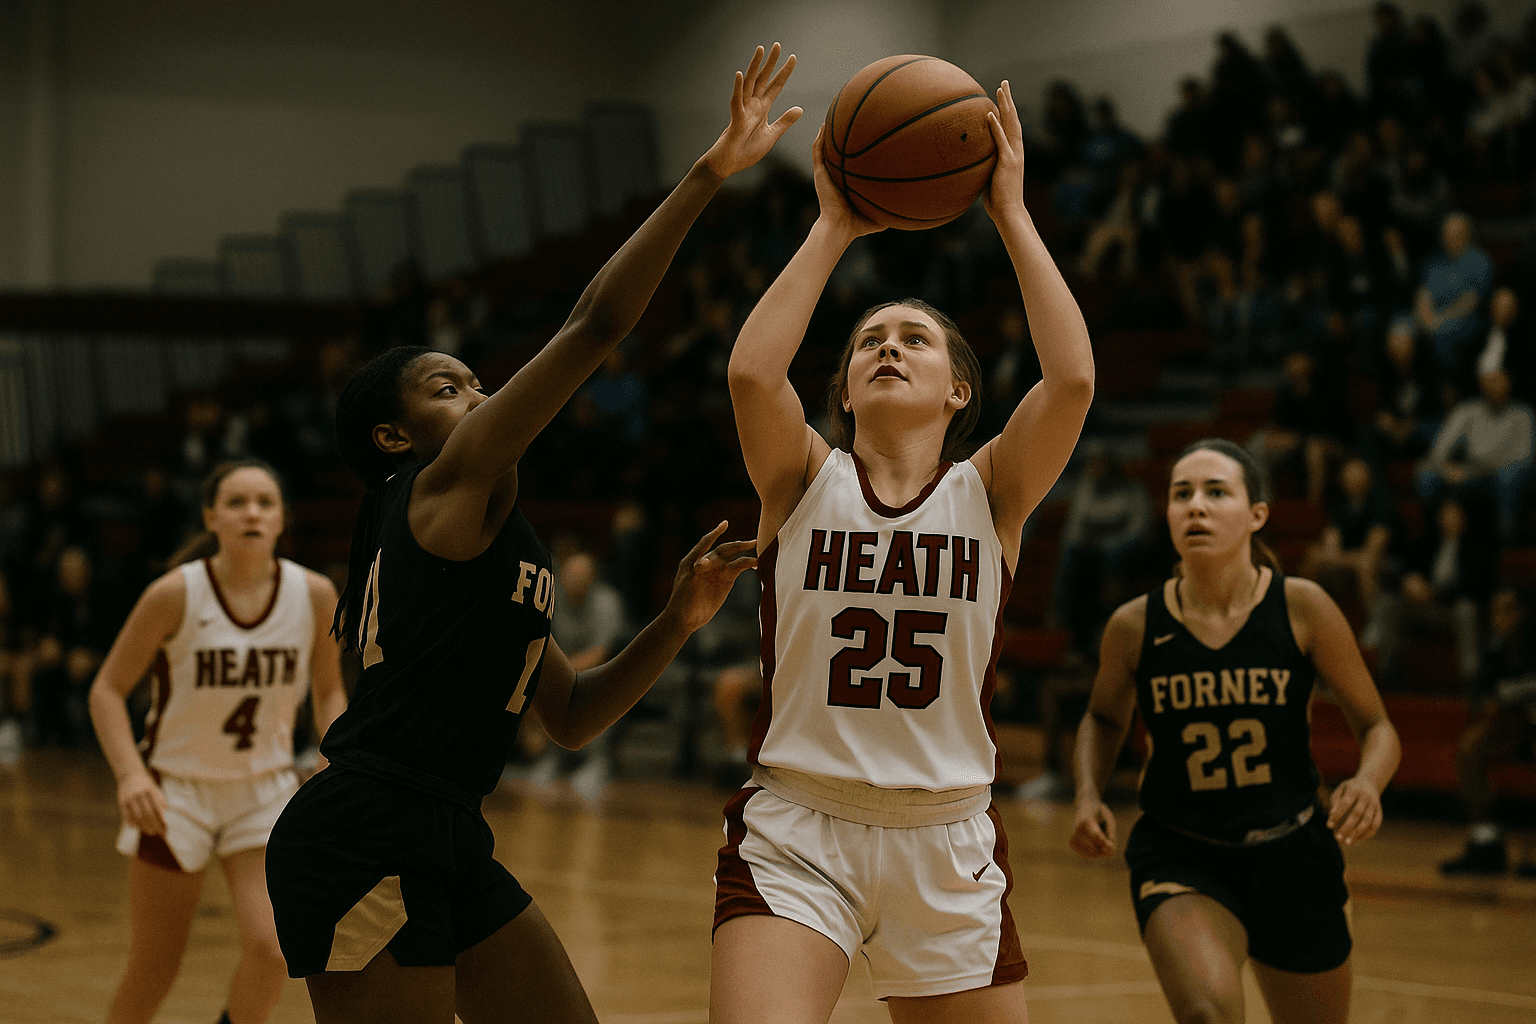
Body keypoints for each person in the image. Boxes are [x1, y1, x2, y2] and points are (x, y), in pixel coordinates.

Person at [262, 44, 792, 1024]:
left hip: (447, 825)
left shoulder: (481, 546)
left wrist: (676, 621)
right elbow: (595, 325)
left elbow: (572, 714)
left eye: (478, 380)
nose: (479, 395)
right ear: (394, 437)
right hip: (365, 826)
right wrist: (707, 174)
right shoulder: (437, 486)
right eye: (447, 387)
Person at [714, 80, 1094, 1022]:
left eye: (915, 339)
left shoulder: (992, 491)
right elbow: (753, 373)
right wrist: (833, 227)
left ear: (959, 391)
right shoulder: (803, 477)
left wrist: (1011, 215)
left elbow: (1073, 380)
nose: (888, 347)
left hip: (948, 837)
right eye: (869, 341)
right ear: (844, 389)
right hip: (799, 829)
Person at [1070, 439, 1400, 1024]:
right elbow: (1102, 718)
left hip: (1294, 851)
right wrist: (1088, 794)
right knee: (1208, 1014)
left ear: (1257, 515)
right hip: (1181, 853)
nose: (1195, 505)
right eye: (1181, 494)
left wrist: (1368, 784)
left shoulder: (1302, 607)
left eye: (1216, 492)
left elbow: (1377, 726)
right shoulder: (1134, 625)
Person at [88, 459, 347, 1024]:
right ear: (211, 517)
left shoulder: (314, 593)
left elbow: (329, 690)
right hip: (175, 795)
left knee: (274, 950)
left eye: (265, 502)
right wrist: (131, 775)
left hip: (264, 790)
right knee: (154, 967)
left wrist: (334, 756)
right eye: (236, 502)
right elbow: (106, 690)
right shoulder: (174, 593)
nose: (252, 513)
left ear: (282, 518)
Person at [1441, 585, 1536, 877]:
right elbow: (1481, 690)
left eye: (1506, 610)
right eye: (1494, 611)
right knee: (1469, 750)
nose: (1499, 618)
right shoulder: (1495, 645)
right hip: (1513, 725)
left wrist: (1506, 694)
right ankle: (1486, 842)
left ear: (1523, 613)